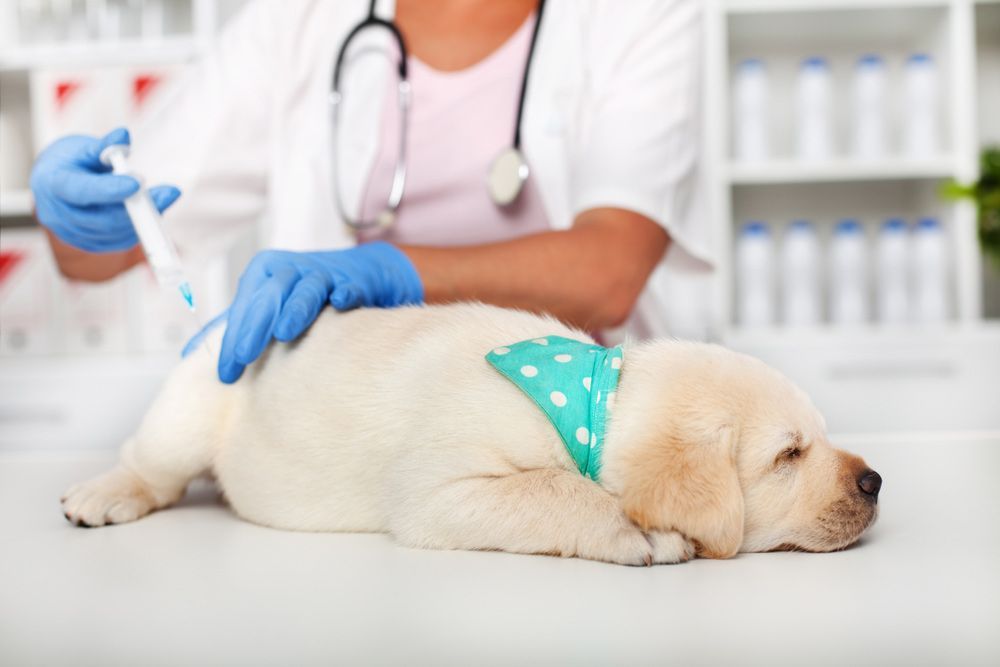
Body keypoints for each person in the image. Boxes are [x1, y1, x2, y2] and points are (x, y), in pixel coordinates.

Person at [30, 0, 710, 384]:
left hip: (584, 427)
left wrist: (389, 275)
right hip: (363, 427)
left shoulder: (636, 14)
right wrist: (74, 213)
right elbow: (93, 255)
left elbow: (608, 271)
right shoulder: (299, 21)